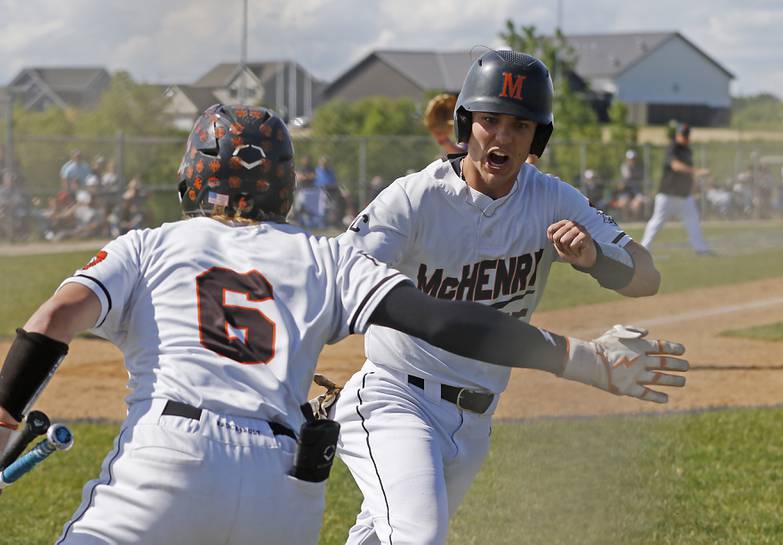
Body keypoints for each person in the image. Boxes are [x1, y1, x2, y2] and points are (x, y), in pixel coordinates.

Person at [0, 104, 687, 545]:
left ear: (191, 180)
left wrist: (5, 410)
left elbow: (57, 316)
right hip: (285, 482)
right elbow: (449, 321)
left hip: (171, 454)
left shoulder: (148, 244)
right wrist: (584, 359)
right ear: (287, 184)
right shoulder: (323, 255)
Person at [333, 49, 665, 545]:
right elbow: (338, 275)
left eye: (520, 125)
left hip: (476, 417)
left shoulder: (552, 199)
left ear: (538, 138)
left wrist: (595, 257)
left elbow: (646, 275)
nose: (503, 137)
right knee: (418, 535)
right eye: (490, 120)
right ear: (466, 125)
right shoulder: (416, 196)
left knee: (380, 538)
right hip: (395, 397)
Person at [640, 123, 713, 255]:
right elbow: (675, 166)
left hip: (684, 195)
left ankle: (701, 249)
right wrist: (697, 171)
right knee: (657, 222)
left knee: (693, 221)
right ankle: (644, 248)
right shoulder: (672, 148)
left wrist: (694, 185)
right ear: (678, 135)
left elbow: (688, 173)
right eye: (683, 135)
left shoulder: (687, 150)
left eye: (687, 135)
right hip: (668, 194)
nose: (686, 137)